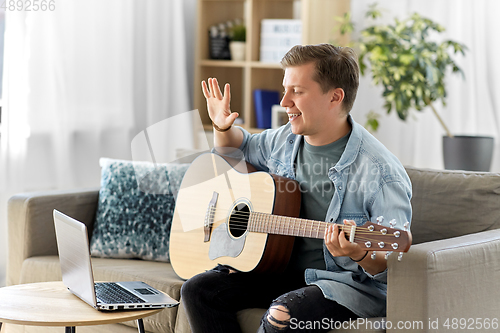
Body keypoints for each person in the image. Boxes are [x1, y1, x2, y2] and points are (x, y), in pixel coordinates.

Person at [181, 44, 412, 333]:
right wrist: (221, 126)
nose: (284, 101)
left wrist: (359, 254)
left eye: (297, 91)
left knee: (283, 314)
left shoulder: (381, 172)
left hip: (341, 285)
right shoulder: (284, 140)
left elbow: (393, 268)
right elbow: (236, 149)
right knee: (198, 289)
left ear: (335, 97)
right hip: (278, 270)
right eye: (285, 89)